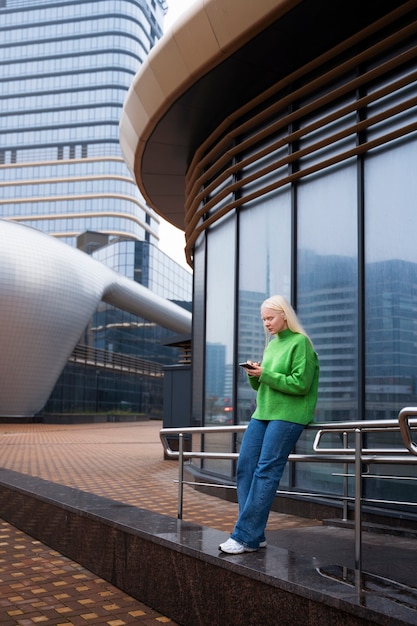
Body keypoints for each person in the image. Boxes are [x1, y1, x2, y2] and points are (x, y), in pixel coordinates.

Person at [219, 295, 319, 554]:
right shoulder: (272, 345)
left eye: (270, 318)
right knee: (245, 468)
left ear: (284, 315)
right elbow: (264, 385)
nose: (266, 323)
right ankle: (255, 534)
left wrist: (267, 374)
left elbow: (300, 384)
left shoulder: (301, 343)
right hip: (263, 412)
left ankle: (244, 536)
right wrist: (255, 374)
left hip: (289, 414)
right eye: (263, 319)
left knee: (266, 470)